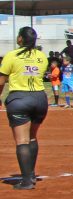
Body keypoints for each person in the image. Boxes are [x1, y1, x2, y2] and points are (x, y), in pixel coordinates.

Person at [0, 27, 49, 190]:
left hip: (20, 98)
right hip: (40, 99)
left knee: (22, 141)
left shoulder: (11, 56)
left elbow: (1, 81)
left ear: (20, 39)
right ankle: (31, 173)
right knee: (32, 137)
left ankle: (27, 180)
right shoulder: (41, 56)